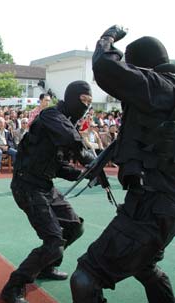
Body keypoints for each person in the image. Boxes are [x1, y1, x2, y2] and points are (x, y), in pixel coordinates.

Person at [70, 26, 175, 303]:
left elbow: (106, 67)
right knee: (145, 266)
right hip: (164, 207)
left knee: (85, 277)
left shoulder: (157, 86)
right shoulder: (167, 93)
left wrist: (108, 38)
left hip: (150, 207)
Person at [1, 81, 96, 303]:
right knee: (53, 242)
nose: (86, 106)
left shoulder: (65, 123)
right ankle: (14, 285)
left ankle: (47, 266)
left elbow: (59, 166)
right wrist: (91, 161)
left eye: (90, 103)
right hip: (27, 186)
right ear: (72, 98)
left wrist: (84, 174)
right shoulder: (51, 116)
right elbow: (71, 140)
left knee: (74, 227)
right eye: (83, 100)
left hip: (45, 186)